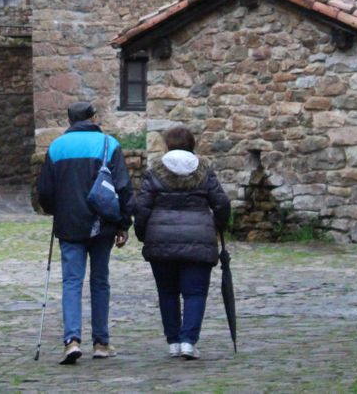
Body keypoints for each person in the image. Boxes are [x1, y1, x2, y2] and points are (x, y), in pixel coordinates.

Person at [36, 101, 133, 365]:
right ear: (93, 118)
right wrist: (124, 223)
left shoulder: (56, 148)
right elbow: (123, 187)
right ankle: (101, 342)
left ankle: (72, 341)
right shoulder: (108, 144)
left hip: (69, 224)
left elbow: (44, 190)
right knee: (100, 282)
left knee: (71, 282)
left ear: (69, 121)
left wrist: (55, 209)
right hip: (103, 223)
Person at [133, 125, 231, 360]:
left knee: (167, 292)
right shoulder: (204, 171)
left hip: (161, 239)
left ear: (167, 145)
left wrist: (143, 233)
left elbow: (142, 206)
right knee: (195, 293)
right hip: (198, 239)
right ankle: (189, 340)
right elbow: (221, 203)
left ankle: (174, 341)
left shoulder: (154, 170)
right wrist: (218, 226)